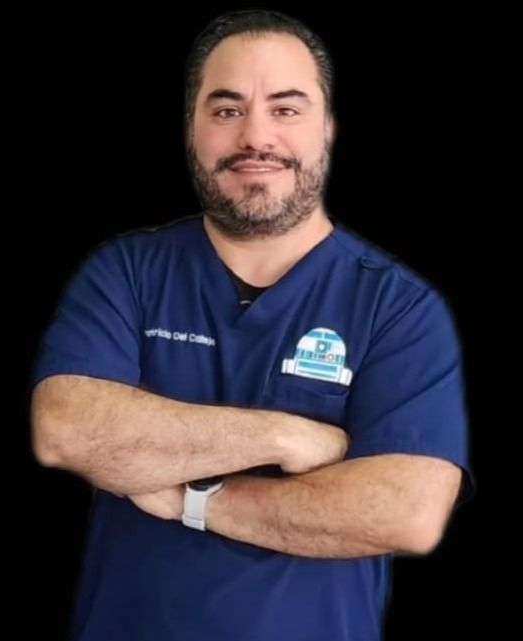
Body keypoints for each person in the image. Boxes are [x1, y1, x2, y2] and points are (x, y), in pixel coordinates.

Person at [31, 9, 471, 641]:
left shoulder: (399, 307)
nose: (255, 136)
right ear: (192, 128)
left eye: (286, 109)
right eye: (227, 109)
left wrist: (191, 499)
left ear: (328, 127)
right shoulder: (126, 272)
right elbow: (69, 430)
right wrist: (287, 437)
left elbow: (407, 512)